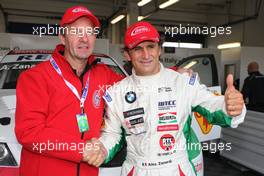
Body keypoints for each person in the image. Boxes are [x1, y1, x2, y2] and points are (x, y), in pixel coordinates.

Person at [93, 21, 246, 176]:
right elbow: (113, 133)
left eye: (151, 47)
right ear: (127, 54)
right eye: (138, 49)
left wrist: (229, 107)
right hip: (136, 169)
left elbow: (212, 105)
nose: (146, 55)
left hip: (176, 169)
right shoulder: (117, 92)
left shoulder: (183, 82)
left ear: (159, 49)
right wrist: (102, 148)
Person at [15, 6, 123, 176]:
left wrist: (175, 75)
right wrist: (80, 149)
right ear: (63, 37)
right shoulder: (35, 77)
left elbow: (137, 86)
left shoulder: (104, 75)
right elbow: (29, 133)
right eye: (76, 32)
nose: (84, 39)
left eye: (89, 32)